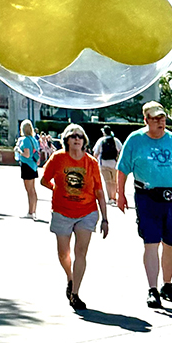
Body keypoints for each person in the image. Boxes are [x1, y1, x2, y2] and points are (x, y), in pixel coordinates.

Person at [115, 102, 172, 309]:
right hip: (147, 197)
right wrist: (120, 194)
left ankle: (167, 285)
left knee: (171, 243)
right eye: (155, 118)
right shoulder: (135, 141)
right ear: (146, 120)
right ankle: (152, 289)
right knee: (151, 242)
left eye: (162, 117)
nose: (160, 122)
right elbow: (122, 169)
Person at [40, 124, 109, 311]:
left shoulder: (91, 162)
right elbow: (44, 180)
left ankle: (75, 293)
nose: (76, 139)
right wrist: (57, 190)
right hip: (62, 211)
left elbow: (99, 192)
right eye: (72, 136)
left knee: (81, 252)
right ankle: (70, 278)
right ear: (67, 140)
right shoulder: (58, 158)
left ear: (84, 140)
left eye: (80, 136)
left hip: (87, 211)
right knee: (64, 253)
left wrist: (105, 218)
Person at [15, 120, 41, 220]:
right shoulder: (34, 139)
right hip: (33, 166)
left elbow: (27, 154)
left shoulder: (25, 140)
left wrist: (18, 151)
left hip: (27, 165)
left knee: (29, 190)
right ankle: (33, 210)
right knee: (33, 190)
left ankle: (30, 212)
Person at [93, 126, 123, 205]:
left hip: (104, 163)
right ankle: (113, 197)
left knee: (107, 181)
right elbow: (121, 151)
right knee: (114, 181)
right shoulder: (116, 140)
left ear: (104, 132)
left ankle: (110, 198)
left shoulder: (100, 141)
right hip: (114, 164)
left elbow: (96, 153)